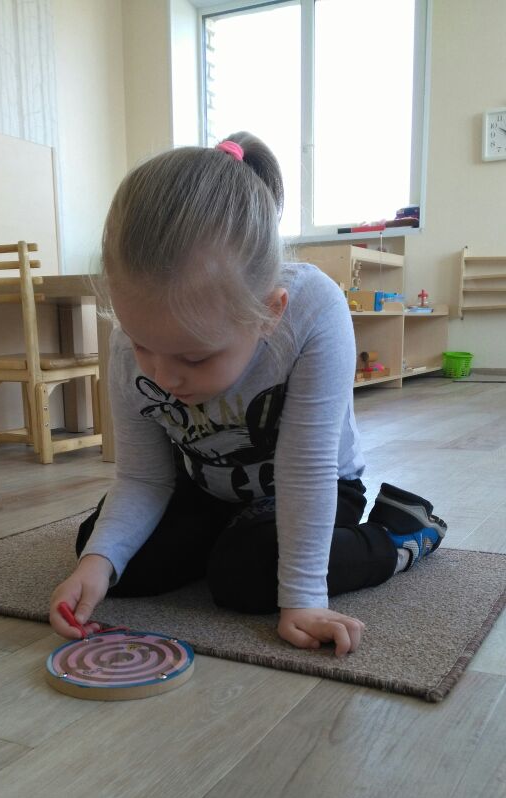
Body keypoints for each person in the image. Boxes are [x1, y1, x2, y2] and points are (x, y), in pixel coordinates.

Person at [49, 132, 447, 657]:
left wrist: (303, 598)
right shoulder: (134, 336)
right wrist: (99, 562)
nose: (164, 376)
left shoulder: (312, 310)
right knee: (104, 555)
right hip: (205, 484)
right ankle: (223, 542)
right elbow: (144, 477)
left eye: (194, 358)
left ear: (269, 314)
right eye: (143, 345)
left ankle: (398, 531)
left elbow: (306, 470)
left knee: (248, 577)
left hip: (311, 483)